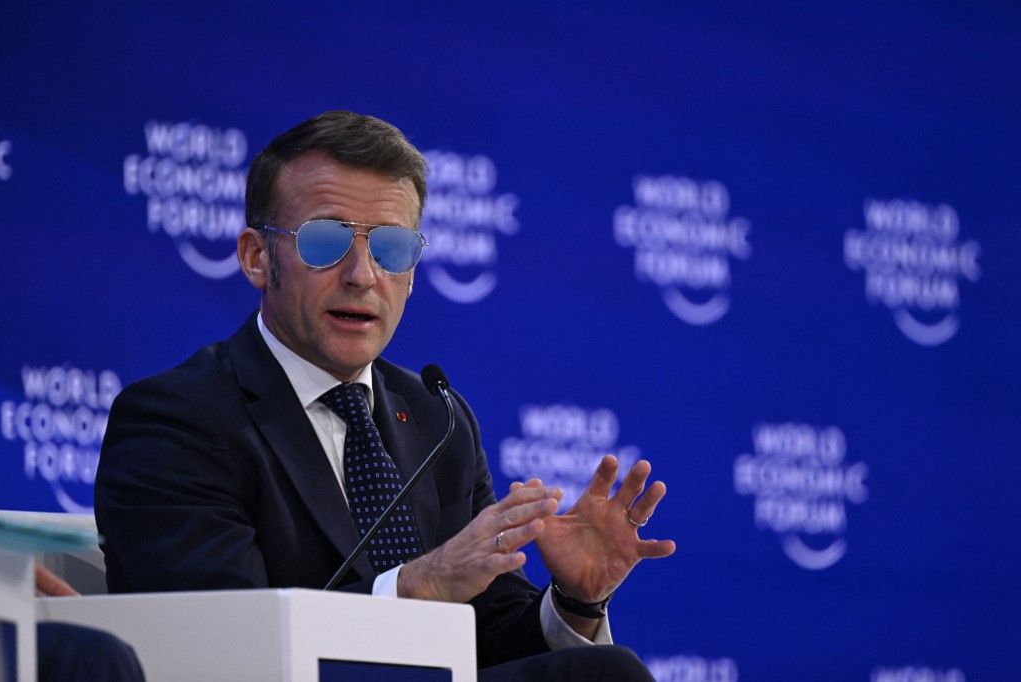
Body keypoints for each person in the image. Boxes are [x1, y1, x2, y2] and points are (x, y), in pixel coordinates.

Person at [95, 110, 675, 680]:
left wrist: (575, 602)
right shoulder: (177, 419)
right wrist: (417, 586)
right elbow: (224, 643)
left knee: (598, 668)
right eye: (325, 242)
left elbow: (492, 642)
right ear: (255, 256)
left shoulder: (437, 418)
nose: (362, 274)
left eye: (391, 249)